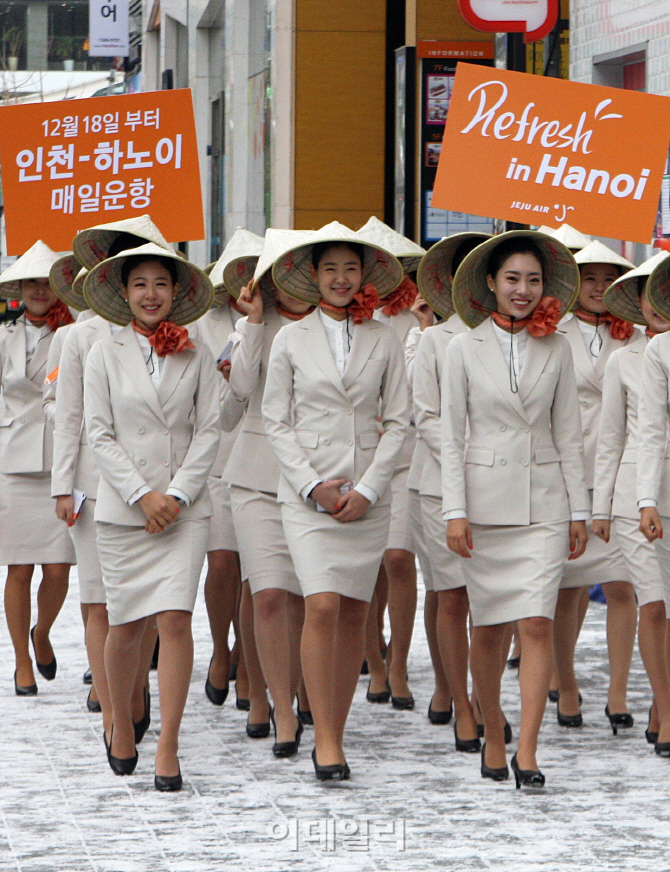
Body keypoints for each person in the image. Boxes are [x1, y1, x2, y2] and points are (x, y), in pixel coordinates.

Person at [442, 231, 589, 787]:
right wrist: (454, 511)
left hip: (545, 504)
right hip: (483, 507)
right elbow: (451, 438)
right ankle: (494, 732)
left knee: (535, 623)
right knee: (488, 628)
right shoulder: (462, 348)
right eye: (512, 279)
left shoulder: (558, 348)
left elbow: (569, 436)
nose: (522, 290)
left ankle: (528, 749)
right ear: (490, 284)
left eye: (532, 280)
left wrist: (580, 510)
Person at [263, 222, 409, 780]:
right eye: (330, 269)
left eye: (351, 269)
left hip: (368, 493)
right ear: (312, 277)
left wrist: (370, 487)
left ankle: (336, 731)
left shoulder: (385, 338)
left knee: (353, 610)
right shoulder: (290, 339)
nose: (342, 279)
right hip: (307, 496)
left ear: (365, 277)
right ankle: (321, 732)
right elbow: (275, 419)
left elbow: (398, 420)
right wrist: (312, 486)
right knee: (321, 603)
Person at [83, 242, 219, 791]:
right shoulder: (102, 352)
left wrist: (178, 495)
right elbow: (99, 431)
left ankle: (168, 743)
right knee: (127, 622)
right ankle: (120, 721)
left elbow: (209, 429)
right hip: (124, 511)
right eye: (140, 283)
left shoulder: (198, 352)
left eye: (161, 283)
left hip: (184, 511)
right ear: (124, 293)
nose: (151, 294)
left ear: (177, 292)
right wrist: (143, 495)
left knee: (176, 621)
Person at [222, 229, 315, 756]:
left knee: (306, 598)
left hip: (318, 480)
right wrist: (254, 324)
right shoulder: (248, 326)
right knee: (269, 594)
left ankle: (301, 689)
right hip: (256, 475)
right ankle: (278, 705)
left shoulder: (339, 324)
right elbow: (234, 399)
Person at [554, 240, 637, 730]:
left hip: (623, 472)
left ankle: (619, 692)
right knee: (569, 590)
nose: (600, 289)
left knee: (624, 586)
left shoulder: (637, 337)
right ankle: (565, 685)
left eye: (610, 280)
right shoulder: (550, 333)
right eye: (590, 279)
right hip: (569, 473)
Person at [414, 232, 490, 748]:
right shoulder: (434, 341)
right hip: (439, 486)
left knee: (489, 598)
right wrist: (467, 465)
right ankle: (459, 698)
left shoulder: (522, 340)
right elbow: (426, 416)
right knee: (451, 594)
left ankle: (482, 694)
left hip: (502, 487)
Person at [592, 251, 670, 750]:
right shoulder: (622, 360)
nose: (658, 302)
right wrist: (601, 506)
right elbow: (612, 437)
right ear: (637, 302)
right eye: (649, 293)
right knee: (654, 604)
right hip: (634, 500)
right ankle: (664, 704)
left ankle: (660, 704)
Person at [0, 241, 76, 695]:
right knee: (18, 569)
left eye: (47, 282)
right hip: (10, 458)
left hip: (59, 458)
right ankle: (22, 660)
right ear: (19, 289)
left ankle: (43, 633)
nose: (38, 290)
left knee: (58, 569)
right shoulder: (3, 335)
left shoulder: (73, 333)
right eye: (30, 282)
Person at [358, 216, 427, 708]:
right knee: (362, 569)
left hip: (406, 457)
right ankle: (374, 661)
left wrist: (427, 326)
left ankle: (398, 662)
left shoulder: (422, 319)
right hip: (356, 457)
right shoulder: (348, 320)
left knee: (398, 559)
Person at [198, 229, 262, 706]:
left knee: (258, 574)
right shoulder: (202, 321)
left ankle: (249, 658)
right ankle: (222, 649)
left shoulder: (280, 318)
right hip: (216, 455)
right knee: (222, 562)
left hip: (264, 457)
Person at [635, 252, 670, 757]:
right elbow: (649, 430)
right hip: (665, 495)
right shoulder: (659, 351)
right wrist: (645, 499)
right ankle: (665, 711)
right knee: (660, 605)